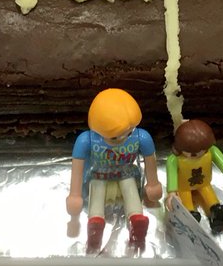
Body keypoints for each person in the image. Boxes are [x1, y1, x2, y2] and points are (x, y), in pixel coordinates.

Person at [67, 89, 163, 253]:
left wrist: (153, 183)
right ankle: (95, 226)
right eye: (114, 137)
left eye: (129, 132)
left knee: (131, 191)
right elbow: (77, 166)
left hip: (126, 173)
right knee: (97, 194)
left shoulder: (140, 137)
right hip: (99, 175)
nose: (122, 138)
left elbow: (150, 159)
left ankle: (137, 221)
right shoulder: (87, 140)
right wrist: (75, 194)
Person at [166, 119, 223, 233]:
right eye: (190, 152)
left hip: (204, 183)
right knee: (186, 200)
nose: (195, 154)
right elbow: (172, 175)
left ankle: (216, 211)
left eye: (200, 151)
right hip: (184, 188)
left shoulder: (211, 151)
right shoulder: (175, 160)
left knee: (210, 197)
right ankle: (190, 214)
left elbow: (221, 161)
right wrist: (172, 193)